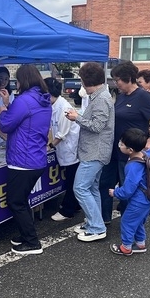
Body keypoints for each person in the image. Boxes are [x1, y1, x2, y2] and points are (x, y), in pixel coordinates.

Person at [99, 61, 150, 224]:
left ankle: (131, 225)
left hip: (130, 152)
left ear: (128, 78)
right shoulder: (121, 97)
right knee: (105, 183)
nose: (116, 83)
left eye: (117, 80)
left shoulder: (143, 96)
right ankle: (104, 218)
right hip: (115, 149)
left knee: (127, 187)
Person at [0, 65, 52, 255]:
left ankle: (32, 242)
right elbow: (24, 118)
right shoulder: (42, 99)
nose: (16, 83)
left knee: (16, 202)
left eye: (17, 80)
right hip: (35, 157)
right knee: (22, 199)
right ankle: (26, 233)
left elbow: (5, 124)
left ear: (24, 80)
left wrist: (4, 109)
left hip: (23, 160)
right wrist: (9, 104)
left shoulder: (24, 100)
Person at [64, 62, 114, 242]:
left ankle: (97, 227)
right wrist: (79, 116)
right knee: (91, 188)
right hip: (94, 151)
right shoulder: (100, 96)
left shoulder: (101, 99)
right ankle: (94, 222)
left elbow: (97, 126)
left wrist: (77, 118)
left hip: (94, 152)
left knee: (80, 187)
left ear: (86, 81)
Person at [108, 128, 150, 256]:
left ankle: (126, 247)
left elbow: (128, 189)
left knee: (127, 221)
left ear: (130, 150)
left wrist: (116, 192)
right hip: (149, 196)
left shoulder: (133, 166)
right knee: (138, 220)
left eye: (122, 144)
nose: (119, 144)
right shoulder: (148, 154)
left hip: (140, 198)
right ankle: (140, 244)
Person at [44, 77, 81, 221]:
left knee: (71, 180)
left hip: (70, 149)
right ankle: (75, 204)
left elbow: (62, 134)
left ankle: (68, 210)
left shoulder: (64, 107)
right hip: (64, 149)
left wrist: (50, 146)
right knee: (70, 179)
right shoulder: (53, 106)